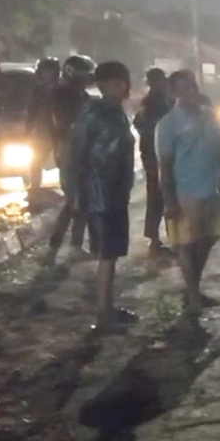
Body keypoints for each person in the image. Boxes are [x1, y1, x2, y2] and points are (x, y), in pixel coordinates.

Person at [157, 69, 220, 317]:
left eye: (191, 87)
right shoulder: (168, 124)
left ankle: (193, 289)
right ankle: (193, 297)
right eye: (182, 89)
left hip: (211, 190)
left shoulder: (208, 116)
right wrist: (169, 201)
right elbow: (165, 165)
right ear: (173, 93)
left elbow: (219, 153)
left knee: (207, 239)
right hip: (185, 193)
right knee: (186, 244)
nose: (189, 92)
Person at [70, 61, 136, 333]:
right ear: (101, 84)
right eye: (113, 82)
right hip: (100, 193)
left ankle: (107, 307)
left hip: (116, 192)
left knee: (113, 252)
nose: (120, 87)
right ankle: (103, 312)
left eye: (122, 81)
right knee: (107, 253)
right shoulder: (94, 112)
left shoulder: (117, 112)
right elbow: (77, 154)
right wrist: (76, 194)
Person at [45, 55, 96, 261]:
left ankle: (70, 243)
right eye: (83, 73)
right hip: (69, 149)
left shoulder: (82, 95)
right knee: (74, 199)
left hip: (82, 150)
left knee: (82, 198)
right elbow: (64, 123)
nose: (87, 78)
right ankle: (59, 244)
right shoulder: (62, 94)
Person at [133, 67, 173, 254]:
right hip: (154, 156)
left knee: (162, 197)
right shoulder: (150, 103)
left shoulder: (165, 100)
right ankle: (156, 239)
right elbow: (142, 125)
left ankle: (162, 237)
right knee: (159, 197)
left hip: (161, 154)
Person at [26, 57, 61, 193]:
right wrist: (28, 130)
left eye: (50, 71)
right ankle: (35, 186)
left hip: (60, 129)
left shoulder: (62, 89)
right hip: (42, 130)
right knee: (36, 160)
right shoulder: (38, 90)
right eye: (45, 71)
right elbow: (32, 111)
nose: (47, 74)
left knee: (65, 161)